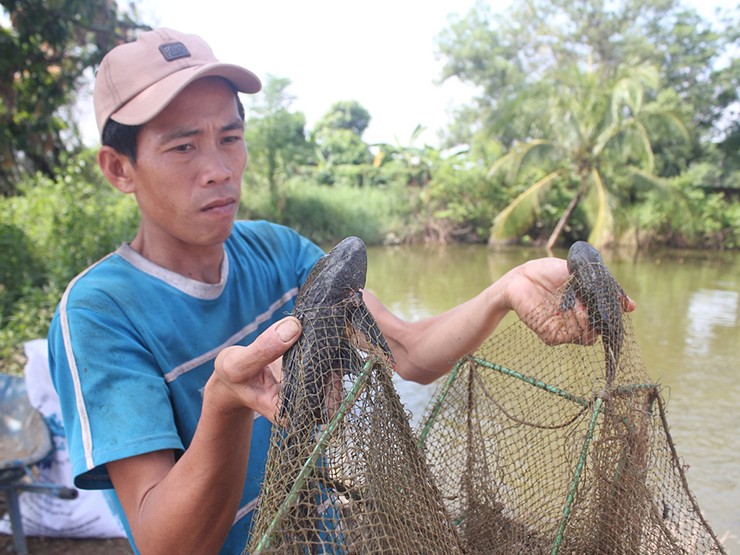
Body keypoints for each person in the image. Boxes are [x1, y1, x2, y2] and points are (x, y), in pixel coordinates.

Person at [48, 28, 635, 555]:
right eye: (183, 147)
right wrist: (225, 405)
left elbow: (404, 351)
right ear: (119, 169)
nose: (219, 168)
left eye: (230, 137)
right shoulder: (98, 313)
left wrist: (503, 291)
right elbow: (165, 546)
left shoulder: (277, 251)